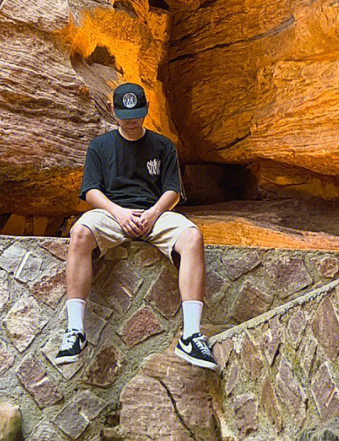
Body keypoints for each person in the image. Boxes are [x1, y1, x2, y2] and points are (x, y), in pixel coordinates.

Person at [55, 81, 218, 370]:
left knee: (192, 236)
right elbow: (91, 190)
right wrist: (118, 213)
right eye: (125, 117)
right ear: (113, 112)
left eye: (137, 115)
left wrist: (154, 213)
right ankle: (75, 331)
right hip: (113, 213)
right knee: (79, 233)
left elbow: (173, 190)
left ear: (145, 111)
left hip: (153, 213)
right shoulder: (100, 146)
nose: (131, 122)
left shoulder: (162, 146)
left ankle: (191, 336)